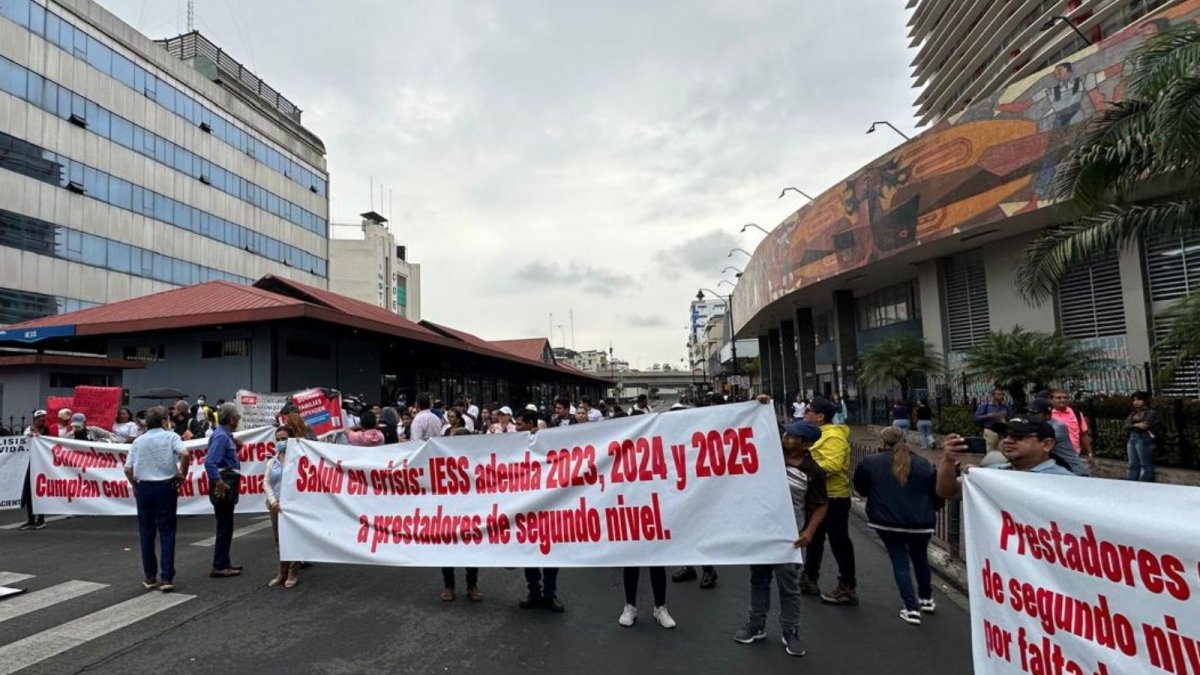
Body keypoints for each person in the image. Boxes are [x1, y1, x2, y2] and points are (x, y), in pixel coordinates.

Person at [735, 420, 827, 656]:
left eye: (792, 436)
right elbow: (755, 430)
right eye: (785, 434)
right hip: (762, 534)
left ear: (805, 444)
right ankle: (756, 624)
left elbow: (821, 505)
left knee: (789, 588)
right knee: (758, 580)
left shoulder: (813, 471)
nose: (786, 438)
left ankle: (790, 631)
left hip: (790, 539)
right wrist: (758, 405)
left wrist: (809, 532)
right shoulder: (770, 458)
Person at [853, 427, 943, 626]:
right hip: (921, 521)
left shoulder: (871, 462)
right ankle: (926, 599)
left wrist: (875, 499)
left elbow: (860, 486)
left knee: (900, 561)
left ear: (882, 442)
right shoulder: (924, 463)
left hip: (888, 520)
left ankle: (911, 608)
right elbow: (937, 493)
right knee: (920, 558)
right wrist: (931, 510)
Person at [124, 406, 189, 592]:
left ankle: (150, 576)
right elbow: (185, 454)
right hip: (165, 487)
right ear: (163, 422)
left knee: (146, 533)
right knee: (167, 532)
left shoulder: (138, 441)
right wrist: (182, 474)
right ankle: (167, 577)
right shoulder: (171, 437)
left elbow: (128, 469)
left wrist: (135, 485)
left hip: (144, 487)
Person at [800, 397, 857, 605]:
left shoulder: (833, 437)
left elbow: (831, 466)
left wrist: (804, 465)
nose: (804, 413)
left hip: (834, 497)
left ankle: (847, 586)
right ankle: (809, 577)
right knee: (813, 538)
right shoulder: (816, 435)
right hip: (817, 495)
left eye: (808, 410)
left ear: (820, 416)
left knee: (839, 541)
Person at [936, 417, 1076, 501]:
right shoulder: (993, 473)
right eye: (1005, 435)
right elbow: (948, 492)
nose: (1008, 441)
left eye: (1019, 436)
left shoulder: (1066, 481)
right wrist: (948, 460)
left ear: (1046, 444)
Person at [513, 408, 563, 613]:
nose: (516, 428)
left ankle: (550, 593)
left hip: (548, 508)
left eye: (521, 424)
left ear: (532, 426)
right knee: (529, 553)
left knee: (550, 553)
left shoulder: (547, 444)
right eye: (516, 424)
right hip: (525, 510)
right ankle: (534, 591)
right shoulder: (512, 446)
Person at [205, 403, 243, 578]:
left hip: (227, 481)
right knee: (224, 526)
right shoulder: (221, 436)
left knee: (226, 525)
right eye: (237, 418)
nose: (238, 421)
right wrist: (218, 482)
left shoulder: (224, 435)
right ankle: (219, 564)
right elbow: (210, 461)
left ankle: (224, 561)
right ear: (231, 419)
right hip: (225, 483)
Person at [264, 427, 299, 588]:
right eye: (278, 439)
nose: (280, 442)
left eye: (283, 438)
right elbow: (266, 483)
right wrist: (273, 501)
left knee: (294, 538)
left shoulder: (298, 459)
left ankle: (293, 572)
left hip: (294, 505)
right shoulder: (272, 462)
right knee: (279, 540)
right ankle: (282, 572)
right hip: (276, 506)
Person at [1026, 399, 1089, 476]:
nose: (1029, 415)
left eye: (1034, 413)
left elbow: (1032, 442)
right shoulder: (1040, 426)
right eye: (1028, 412)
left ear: (1047, 415)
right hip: (1059, 469)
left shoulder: (1056, 427)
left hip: (1074, 471)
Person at [18, 411, 50, 530]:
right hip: (30, 464)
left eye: (43, 418)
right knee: (29, 493)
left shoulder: (47, 430)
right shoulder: (28, 430)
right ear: (35, 419)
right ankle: (31, 519)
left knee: (40, 491)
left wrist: (38, 435)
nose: (41, 419)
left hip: (42, 465)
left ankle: (41, 519)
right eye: (39, 418)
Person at [1049, 389, 1093, 465]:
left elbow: (1083, 434)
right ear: (1051, 400)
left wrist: (1090, 453)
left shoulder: (1076, 414)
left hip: (1074, 454)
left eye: (1065, 398)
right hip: (1053, 456)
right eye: (1058, 398)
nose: (1062, 400)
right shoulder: (1047, 415)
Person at [1124, 392, 1159, 482]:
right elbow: (1126, 425)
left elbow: (1145, 425)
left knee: (1145, 464)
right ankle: (1132, 483)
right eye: (1134, 400)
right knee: (1133, 464)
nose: (1136, 402)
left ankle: (1145, 484)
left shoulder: (1151, 412)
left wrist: (1133, 425)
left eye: (1139, 399)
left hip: (1144, 439)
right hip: (1132, 438)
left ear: (1145, 400)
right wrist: (1135, 425)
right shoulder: (1133, 413)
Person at [974, 388, 1012, 452]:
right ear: (993, 395)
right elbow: (977, 418)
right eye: (999, 395)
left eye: (1003, 395)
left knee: (1002, 452)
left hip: (1002, 432)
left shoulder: (1005, 406)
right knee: (991, 451)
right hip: (990, 431)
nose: (1001, 396)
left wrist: (1005, 416)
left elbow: (1010, 417)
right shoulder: (985, 405)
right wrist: (988, 416)